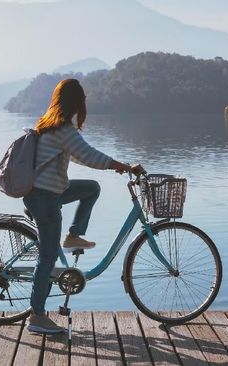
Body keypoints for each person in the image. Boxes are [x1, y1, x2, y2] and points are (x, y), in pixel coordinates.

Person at [24, 78, 137, 334]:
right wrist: (124, 166)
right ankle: (37, 317)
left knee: (91, 188)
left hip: (49, 191)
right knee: (48, 257)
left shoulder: (50, 125)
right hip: (45, 197)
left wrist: (112, 166)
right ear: (77, 102)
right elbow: (90, 155)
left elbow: (78, 155)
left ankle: (74, 235)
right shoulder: (62, 128)